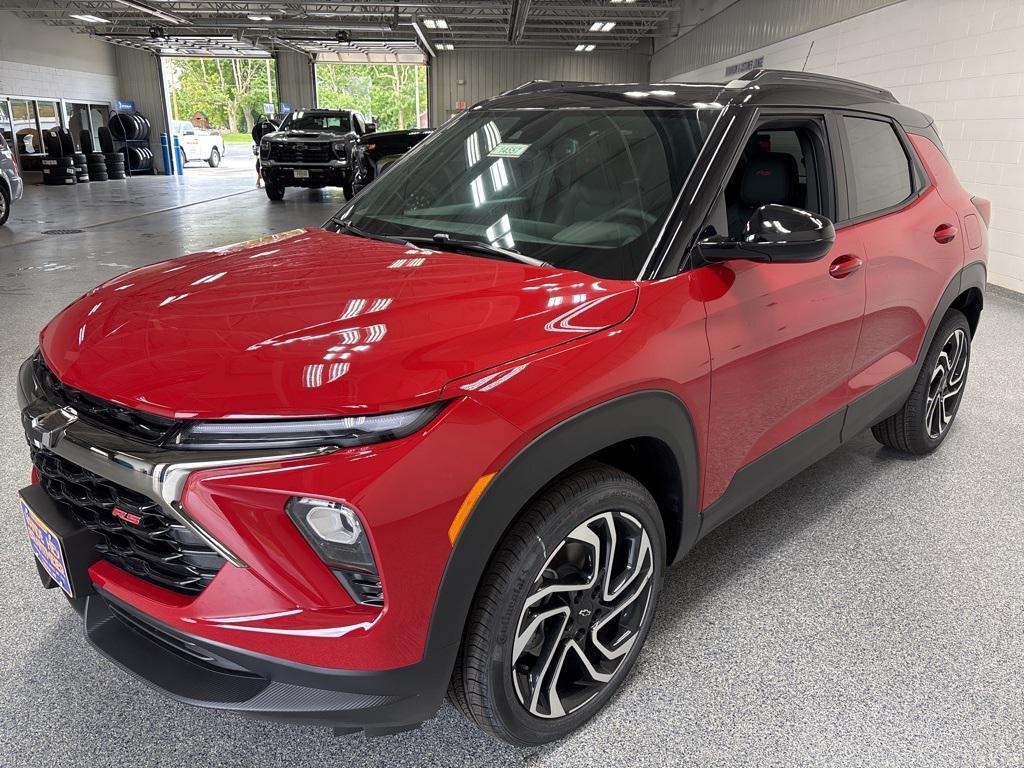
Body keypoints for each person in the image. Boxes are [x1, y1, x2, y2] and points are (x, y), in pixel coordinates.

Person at [251, 116, 278, 187]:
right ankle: (259, 177)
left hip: (265, 145)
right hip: (260, 144)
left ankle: (262, 178)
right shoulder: (257, 131)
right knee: (259, 161)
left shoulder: (271, 129)